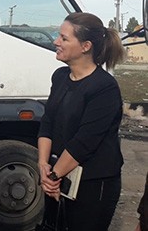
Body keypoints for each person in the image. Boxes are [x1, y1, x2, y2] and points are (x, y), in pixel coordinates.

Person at [38, 12, 126, 231]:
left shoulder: (104, 88)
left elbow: (84, 143)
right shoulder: (59, 77)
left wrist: (53, 176)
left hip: (92, 185)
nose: (56, 42)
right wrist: (43, 165)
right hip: (58, 176)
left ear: (86, 46)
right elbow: (47, 122)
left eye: (64, 38)